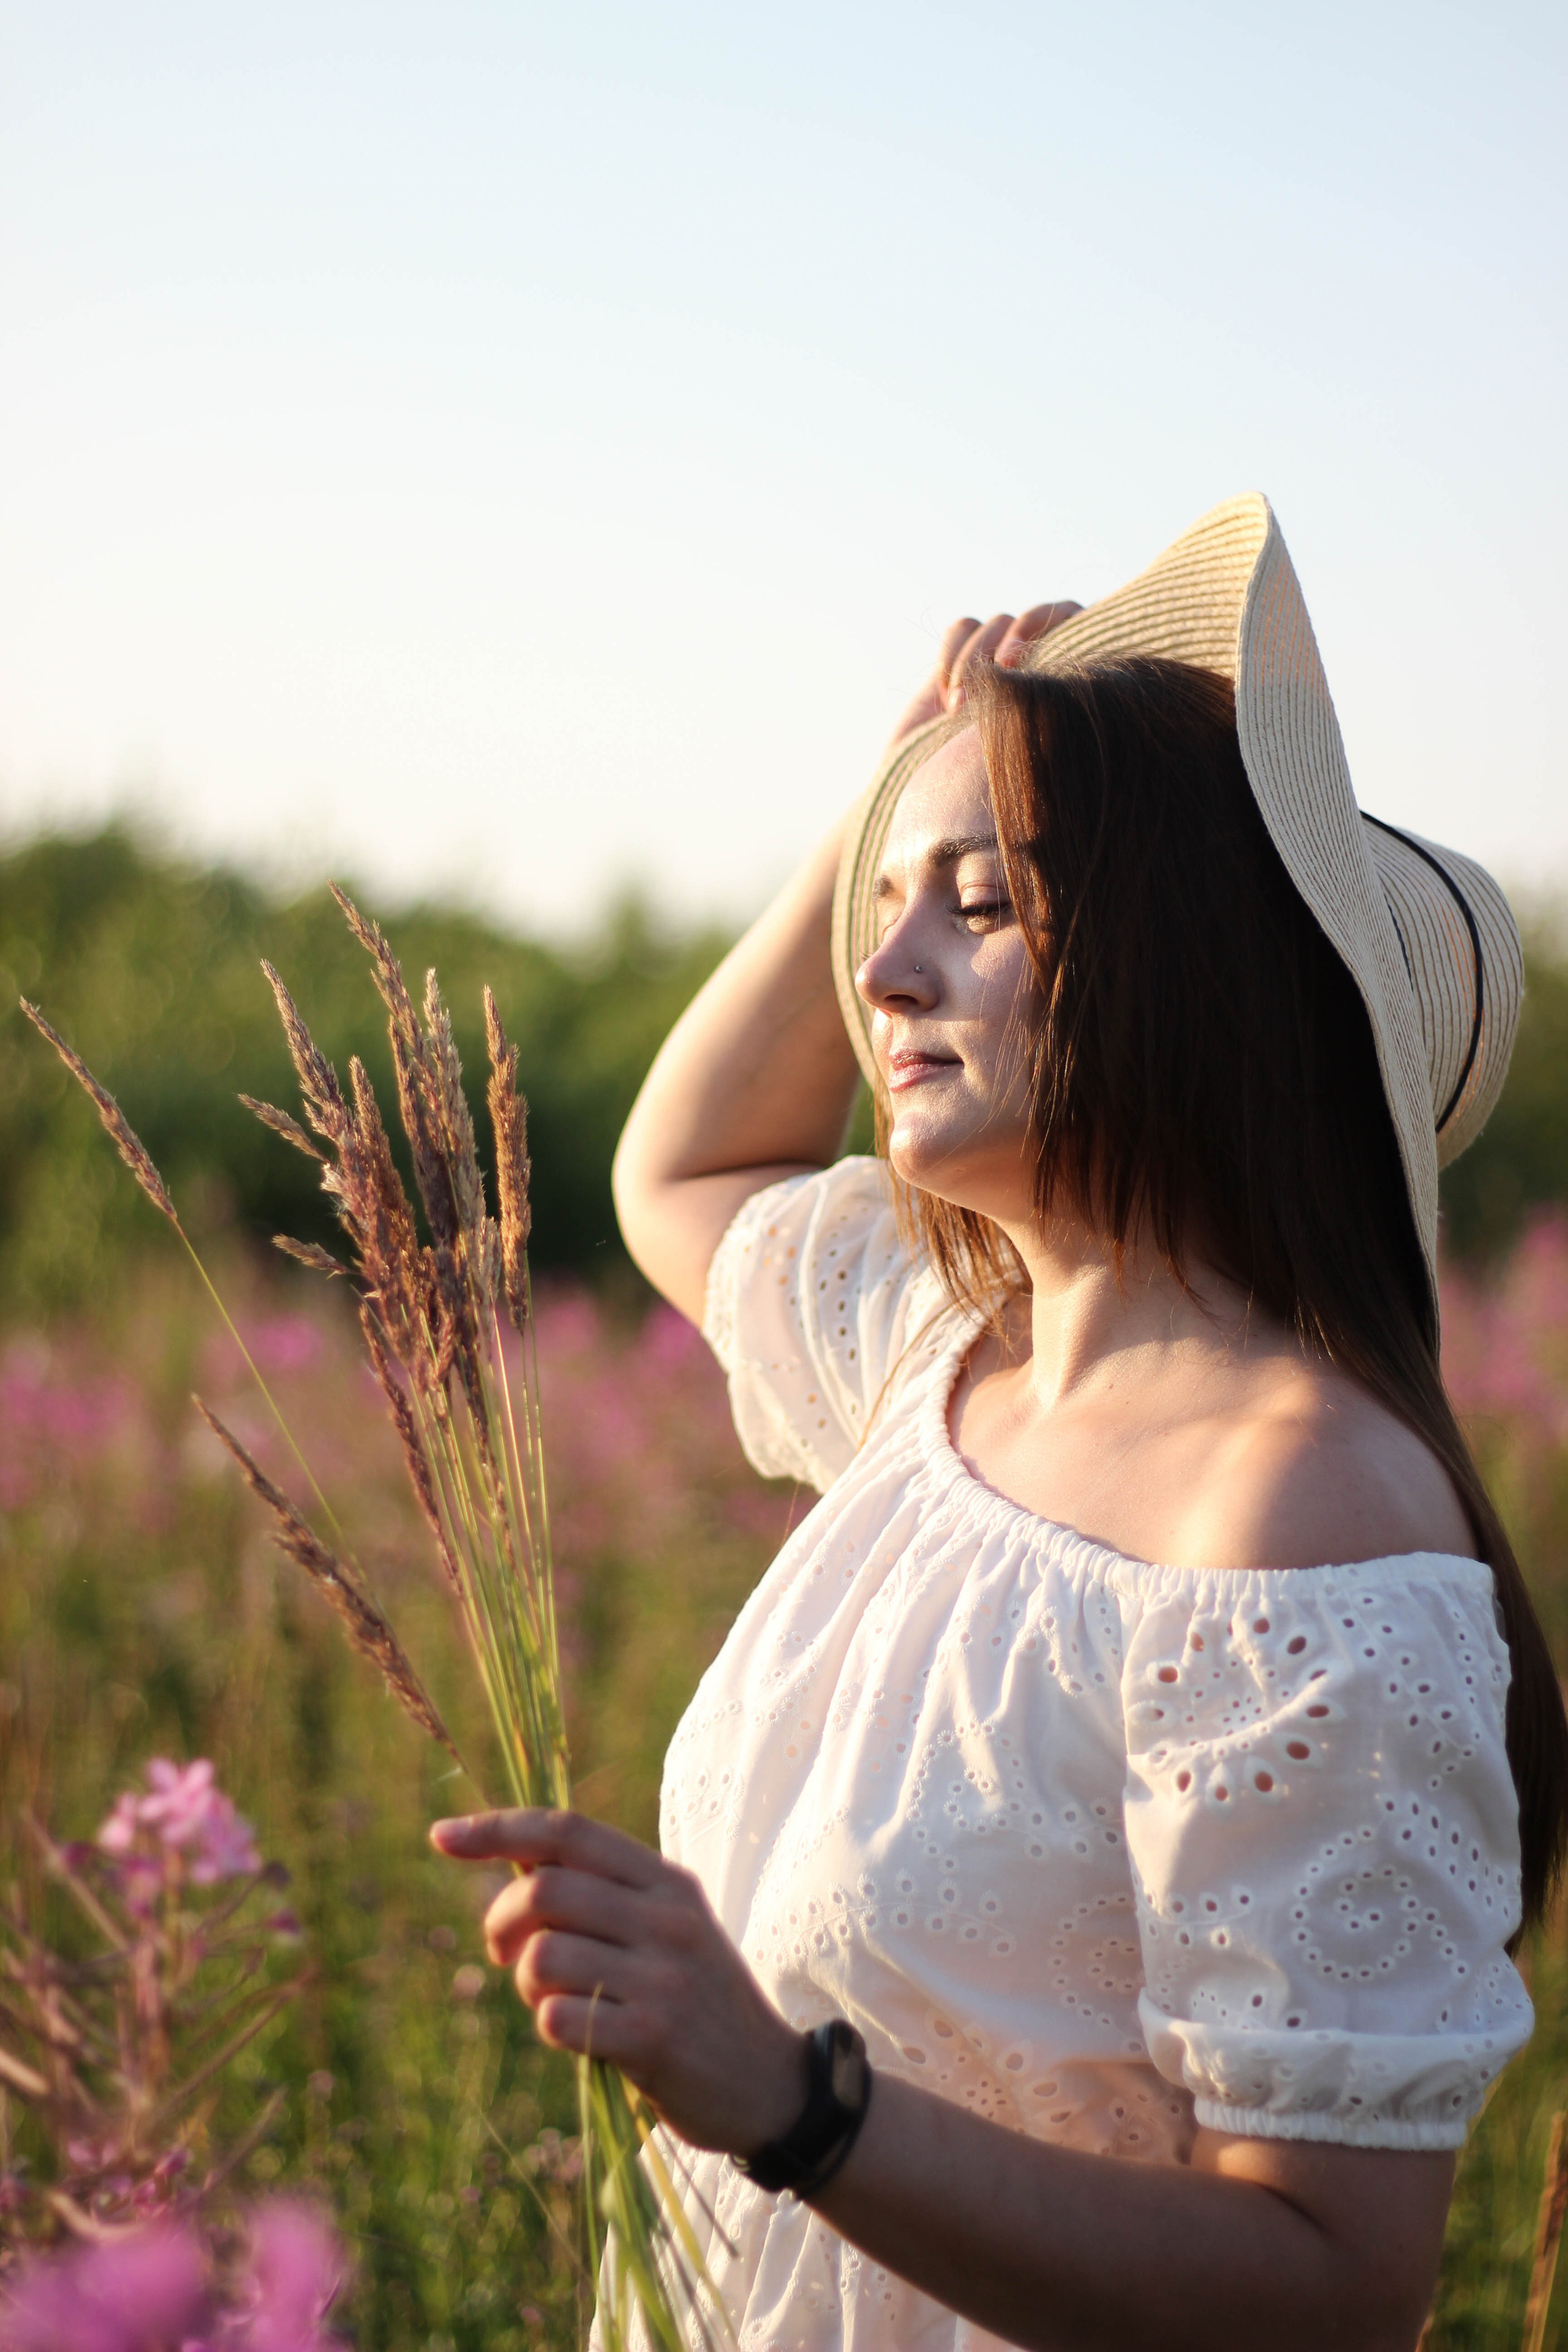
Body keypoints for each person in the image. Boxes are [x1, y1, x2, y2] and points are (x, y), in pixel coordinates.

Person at [432, 496, 1568, 2351]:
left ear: (1191, 974)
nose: (882, 981)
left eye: (982, 912)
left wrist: (795, 2104)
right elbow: (686, 1163)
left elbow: (1330, 2287)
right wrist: (899, 791)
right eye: (892, 917)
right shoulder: (945, 1352)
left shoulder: (1300, 1518)